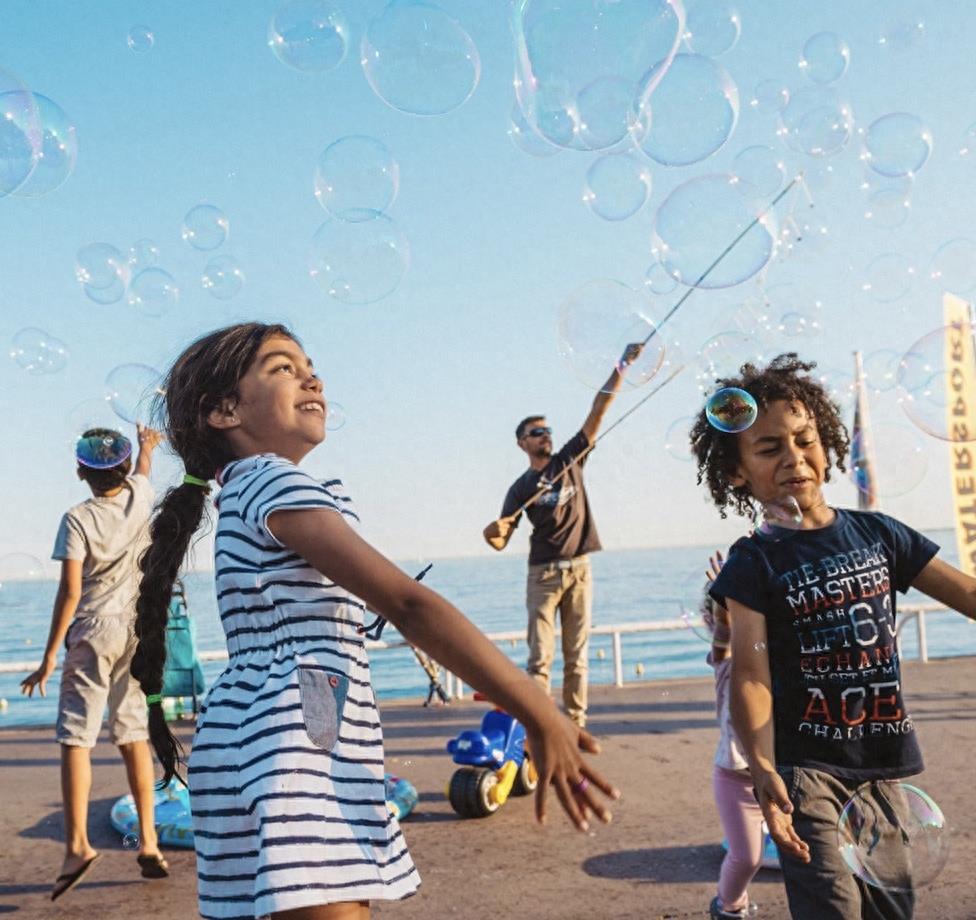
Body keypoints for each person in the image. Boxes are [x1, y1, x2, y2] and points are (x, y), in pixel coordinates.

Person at [130, 322, 620, 920]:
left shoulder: (239, 492)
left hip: (248, 734)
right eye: (283, 367)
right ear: (224, 410)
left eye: (309, 363)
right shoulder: (274, 480)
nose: (312, 376)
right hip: (298, 738)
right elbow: (408, 605)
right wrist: (538, 710)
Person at [692, 353, 976, 920]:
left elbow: (973, 594)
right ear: (736, 472)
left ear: (828, 445)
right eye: (769, 447)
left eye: (805, 439)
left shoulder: (878, 534)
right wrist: (762, 764)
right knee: (833, 907)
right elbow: (750, 672)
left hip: (881, 763)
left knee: (890, 910)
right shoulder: (752, 562)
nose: (794, 457)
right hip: (806, 772)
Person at [21, 423, 167, 900]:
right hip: (137, 630)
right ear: (123, 468)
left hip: (94, 631)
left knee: (75, 738)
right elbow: (145, 473)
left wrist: (47, 657)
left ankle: (78, 845)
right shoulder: (140, 497)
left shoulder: (77, 518)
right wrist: (147, 446)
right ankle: (149, 841)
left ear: (80, 472)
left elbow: (70, 591)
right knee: (133, 734)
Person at [482, 343, 642, 727]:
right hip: (543, 574)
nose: (545, 436)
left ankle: (574, 724)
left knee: (578, 656)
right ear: (523, 443)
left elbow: (598, 410)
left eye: (547, 430)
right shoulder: (521, 487)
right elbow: (501, 538)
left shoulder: (570, 459)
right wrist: (495, 531)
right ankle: (540, 724)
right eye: (537, 433)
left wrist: (621, 366)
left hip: (580, 570)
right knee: (540, 659)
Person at [700, 551, 767, 920]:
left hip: (780, 773)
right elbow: (725, 638)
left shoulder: (768, 656)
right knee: (748, 857)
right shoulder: (725, 663)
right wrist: (726, 605)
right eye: (716, 612)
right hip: (735, 778)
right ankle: (728, 906)